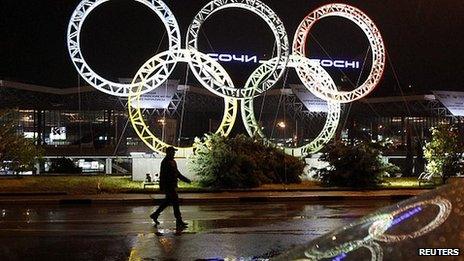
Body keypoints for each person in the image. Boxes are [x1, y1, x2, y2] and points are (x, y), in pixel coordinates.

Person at [150, 146, 191, 228]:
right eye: (173, 152)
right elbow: (163, 175)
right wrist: (162, 186)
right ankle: (179, 220)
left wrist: (186, 180)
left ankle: (155, 214)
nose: (174, 153)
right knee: (175, 202)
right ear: (169, 152)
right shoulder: (165, 162)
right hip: (168, 186)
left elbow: (177, 174)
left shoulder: (172, 162)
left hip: (171, 185)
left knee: (167, 202)